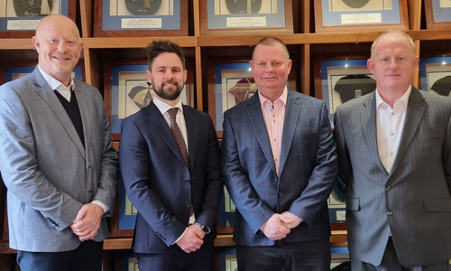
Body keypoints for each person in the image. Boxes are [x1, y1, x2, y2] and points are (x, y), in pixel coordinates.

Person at [0, 15, 118, 271]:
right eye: (53, 40)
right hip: (43, 240)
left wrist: (98, 207)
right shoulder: (13, 95)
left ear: (81, 48)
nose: (62, 48)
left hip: (90, 235)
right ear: (37, 43)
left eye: (70, 42)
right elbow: (19, 174)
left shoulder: (93, 96)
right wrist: (77, 215)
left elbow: (107, 157)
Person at [334, 31, 451, 270]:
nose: (393, 65)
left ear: (415, 63)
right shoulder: (347, 113)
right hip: (369, 237)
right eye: (385, 59)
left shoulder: (444, 109)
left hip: (426, 238)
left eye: (401, 58)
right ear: (371, 65)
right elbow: (344, 173)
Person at [222, 37, 338, 270]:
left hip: (308, 234)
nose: (269, 70)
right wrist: (263, 219)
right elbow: (232, 172)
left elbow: (326, 166)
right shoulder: (234, 117)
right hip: (256, 237)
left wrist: (296, 214)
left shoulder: (316, 110)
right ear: (252, 67)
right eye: (262, 64)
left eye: (276, 63)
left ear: (289, 66)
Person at [119, 40, 223, 271]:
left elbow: (215, 178)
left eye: (175, 70)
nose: (169, 76)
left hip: (201, 241)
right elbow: (137, 187)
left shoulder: (202, 121)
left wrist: (202, 226)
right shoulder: (134, 125)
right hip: (158, 245)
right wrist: (177, 233)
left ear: (185, 75)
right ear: (149, 76)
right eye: (162, 70)